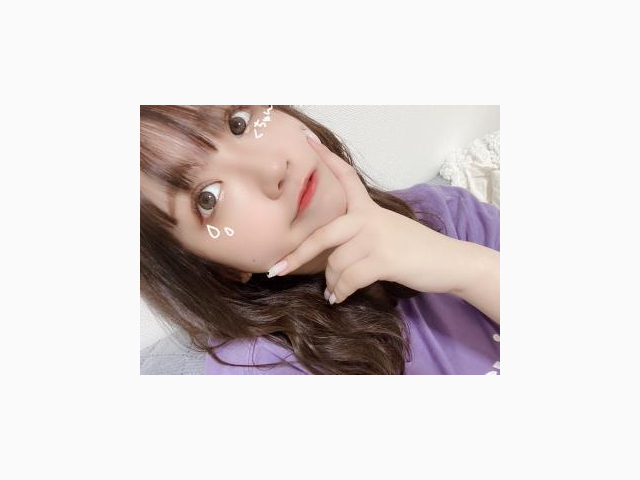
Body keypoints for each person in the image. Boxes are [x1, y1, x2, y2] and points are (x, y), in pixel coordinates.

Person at [140, 105, 500, 375]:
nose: (271, 168)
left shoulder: (441, 211)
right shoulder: (262, 368)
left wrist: (470, 270)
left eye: (239, 122)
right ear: (216, 269)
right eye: (209, 198)